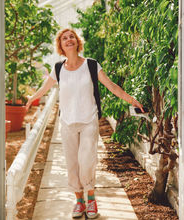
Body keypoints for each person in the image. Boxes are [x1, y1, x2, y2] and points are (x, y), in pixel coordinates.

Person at [26, 28, 144, 219]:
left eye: (71, 36)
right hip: (67, 123)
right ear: (60, 45)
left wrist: (132, 100)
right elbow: (44, 88)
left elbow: (112, 86)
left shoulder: (91, 65)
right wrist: (31, 98)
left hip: (88, 121)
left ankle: (91, 198)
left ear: (77, 41)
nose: (69, 39)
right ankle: (79, 201)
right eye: (64, 38)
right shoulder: (58, 69)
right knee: (72, 164)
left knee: (86, 161)